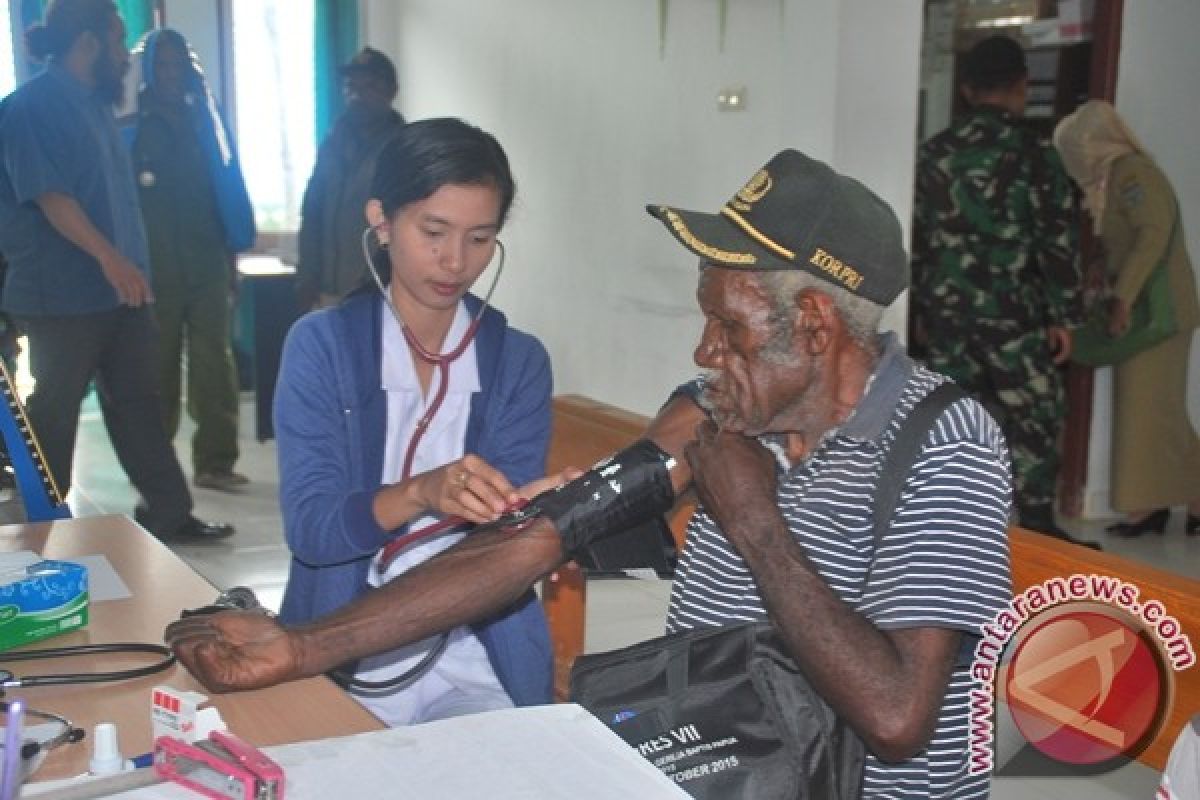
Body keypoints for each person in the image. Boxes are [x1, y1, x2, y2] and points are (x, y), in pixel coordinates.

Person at [167, 149, 1013, 797]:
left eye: (729, 326)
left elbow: (899, 719)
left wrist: (755, 520)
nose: (703, 351)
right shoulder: (714, 410)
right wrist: (303, 646)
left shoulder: (942, 444)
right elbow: (533, 545)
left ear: (818, 326)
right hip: (713, 763)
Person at [274, 117, 555, 726]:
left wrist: (549, 518)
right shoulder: (320, 346)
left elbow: (506, 545)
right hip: (340, 648)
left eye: (480, 239)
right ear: (381, 220)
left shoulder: (519, 363)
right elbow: (314, 529)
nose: (455, 261)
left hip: (472, 650)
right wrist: (422, 492)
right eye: (434, 231)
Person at [0, 0, 233, 541]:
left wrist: (133, 274)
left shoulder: (97, 106)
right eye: (116, 41)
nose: (125, 57)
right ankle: (40, 523)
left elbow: (119, 205)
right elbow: (52, 197)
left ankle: (170, 514)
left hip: (119, 294)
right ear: (87, 43)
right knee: (54, 413)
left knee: (138, 405)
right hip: (60, 294)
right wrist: (110, 258)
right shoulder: (33, 107)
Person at [911, 34, 1084, 543]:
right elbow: (1059, 240)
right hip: (1016, 318)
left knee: (952, 415)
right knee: (1035, 419)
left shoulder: (933, 154)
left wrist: (922, 306)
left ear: (966, 90)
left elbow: (917, 238)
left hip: (948, 316)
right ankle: (1033, 530)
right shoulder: (1036, 154)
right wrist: (1065, 316)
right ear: (1022, 87)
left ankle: (949, 523)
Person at [1053, 100, 1200, 538]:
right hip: (1146, 310)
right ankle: (1158, 504)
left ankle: (1156, 506)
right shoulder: (1114, 178)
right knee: (1151, 413)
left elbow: (1152, 235)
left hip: (1159, 312)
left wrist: (1121, 298)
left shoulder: (1133, 174)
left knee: (1153, 413)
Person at [128, 28, 256, 491]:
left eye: (176, 65)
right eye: (160, 66)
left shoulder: (207, 120)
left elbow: (225, 188)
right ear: (147, 72)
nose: (169, 74)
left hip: (206, 262)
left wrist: (232, 260)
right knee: (155, 367)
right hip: (153, 268)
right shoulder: (131, 122)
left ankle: (215, 461)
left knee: (214, 365)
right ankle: (157, 470)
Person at [295, 47, 406, 312]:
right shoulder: (332, 144)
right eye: (350, 87)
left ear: (391, 91)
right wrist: (307, 276)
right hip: (329, 290)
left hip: (383, 290)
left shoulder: (404, 147)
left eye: (369, 86)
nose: (357, 95)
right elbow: (312, 213)